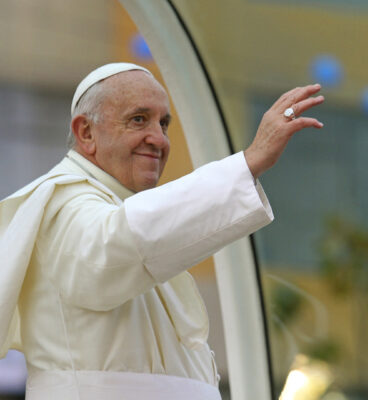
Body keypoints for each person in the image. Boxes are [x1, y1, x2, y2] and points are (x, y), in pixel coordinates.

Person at [0, 63, 324, 400]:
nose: (158, 139)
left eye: (163, 124)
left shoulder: (124, 207)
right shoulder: (63, 201)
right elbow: (110, 249)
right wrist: (248, 162)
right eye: (139, 119)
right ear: (86, 133)